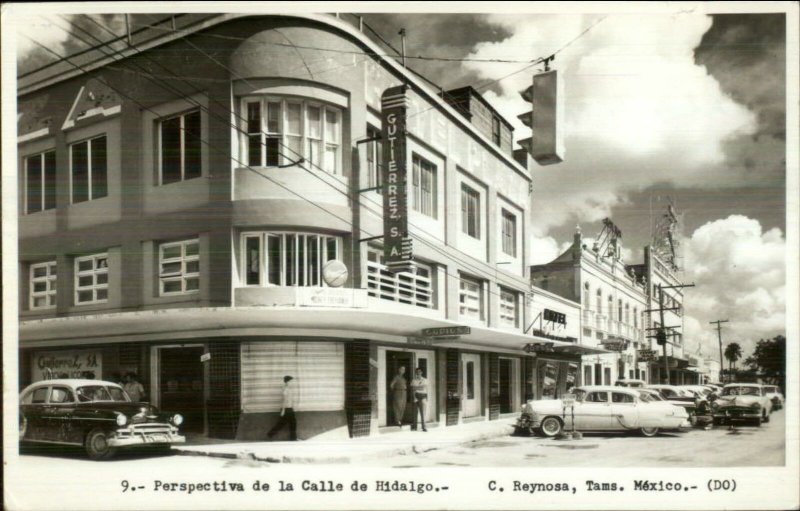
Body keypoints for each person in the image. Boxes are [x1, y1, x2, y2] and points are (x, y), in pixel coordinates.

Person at [267, 376, 298, 441]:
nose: (292, 383)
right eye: (291, 381)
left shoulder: (289, 389)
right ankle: (270, 434)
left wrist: (293, 407)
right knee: (283, 424)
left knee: (290, 423)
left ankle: (293, 438)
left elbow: (291, 400)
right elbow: (284, 400)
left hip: (289, 409)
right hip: (286, 409)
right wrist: (283, 410)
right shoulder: (286, 389)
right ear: (287, 382)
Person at [410, 367, 428, 432]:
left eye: (419, 372)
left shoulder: (425, 380)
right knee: (415, 413)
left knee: (423, 413)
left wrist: (416, 387)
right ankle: (415, 427)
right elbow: (412, 389)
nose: (418, 373)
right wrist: (417, 388)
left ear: (421, 372)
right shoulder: (414, 380)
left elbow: (423, 388)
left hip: (423, 397)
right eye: (417, 372)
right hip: (416, 396)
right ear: (416, 373)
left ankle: (424, 427)